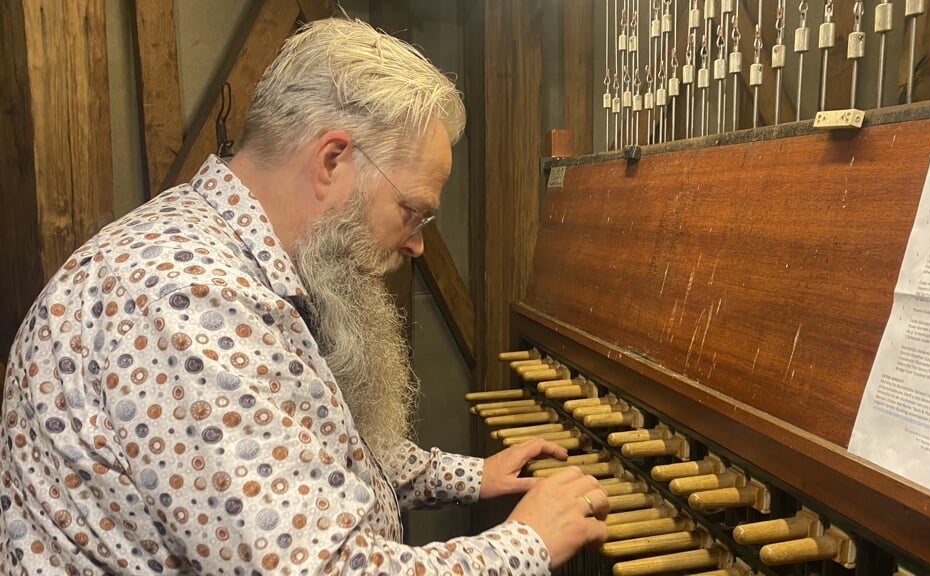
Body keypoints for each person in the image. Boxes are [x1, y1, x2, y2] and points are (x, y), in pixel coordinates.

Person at [0, 17, 609, 575]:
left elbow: (299, 455)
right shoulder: (186, 300)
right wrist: (526, 541)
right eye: (413, 211)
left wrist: (463, 478)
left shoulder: (230, 257)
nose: (418, 245)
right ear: (333, 160)